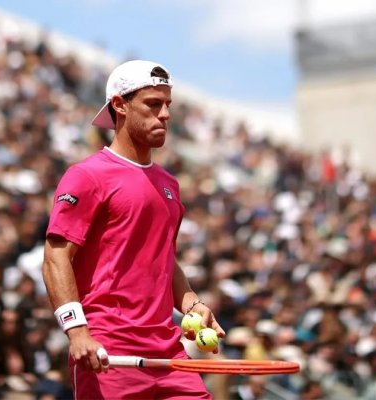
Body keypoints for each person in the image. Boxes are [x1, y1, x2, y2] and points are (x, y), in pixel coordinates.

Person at [42, 59, 226, 399]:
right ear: (119, 105)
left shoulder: (169, 183)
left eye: (167, 104)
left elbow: (163, 258)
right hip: (109, 350)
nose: (165, 114)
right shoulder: (88, 175)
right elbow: (56, 258)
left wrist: (191, 304)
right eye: (153, 104)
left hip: (167, 350)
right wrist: (76, 330)